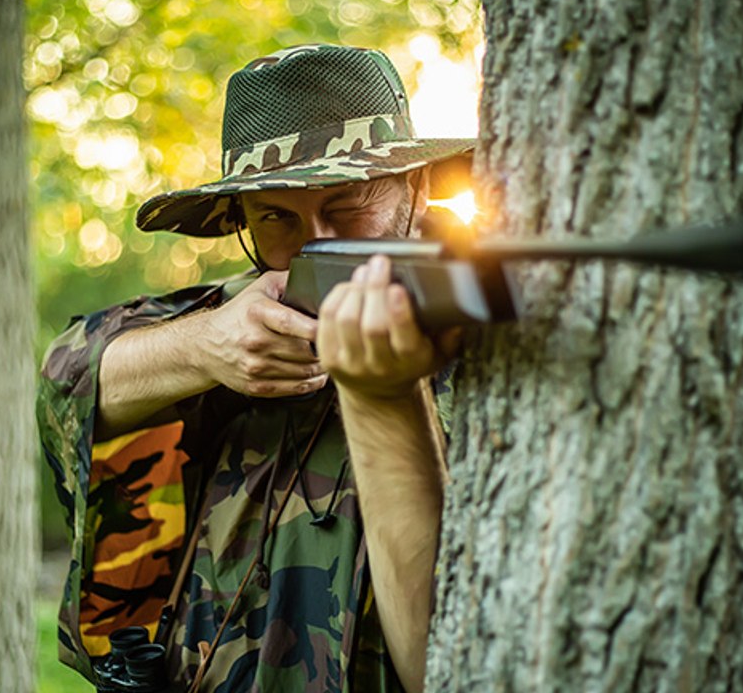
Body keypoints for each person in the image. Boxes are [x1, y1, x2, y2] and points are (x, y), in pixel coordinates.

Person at [37, 43, 474, 693]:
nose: (317, 238)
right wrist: (204, 347)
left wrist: (385, 398)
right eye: (277, 216)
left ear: (418, 185)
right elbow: (66, 374)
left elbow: (448, 665)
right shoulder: (244, 309)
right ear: (241, 221)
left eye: (349, 202)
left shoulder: (478, 327)